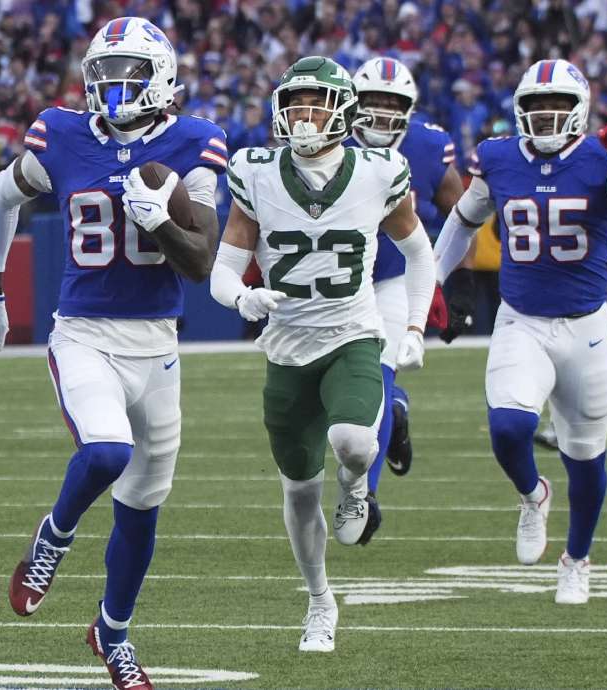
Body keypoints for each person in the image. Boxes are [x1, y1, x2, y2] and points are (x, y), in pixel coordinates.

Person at [0, 17, 225, 688]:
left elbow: (200, 261)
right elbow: (2, 196)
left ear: (162, 78)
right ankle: (51, 538)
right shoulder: (58, 133)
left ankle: (113, 633)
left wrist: (159, 219)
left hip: (158, 344)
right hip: (82, 332)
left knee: (143, 507)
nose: (113, 87)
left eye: (130, 74)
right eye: (104, 73)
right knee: (108, 452)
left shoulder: (195, 141)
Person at [211, 56, 435, 652]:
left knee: (354, 443)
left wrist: (412, 326)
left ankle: (358, 484)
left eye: (315, 103)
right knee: (299, 491)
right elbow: (222, 270)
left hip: (352, 334)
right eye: (294, 104)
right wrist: (242, 297)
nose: (303, 116)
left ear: (341, 110)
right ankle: (319, 601)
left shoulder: (379, 170)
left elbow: (419, 253)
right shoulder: (254, 171)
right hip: (286, 350)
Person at [434, 59, 607, 604]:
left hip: (587, 327)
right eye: (536, 105)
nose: (547, 114)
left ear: (577, 109)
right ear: (520, 109)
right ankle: (533, 494)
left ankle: (576, 558)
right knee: (508, 428)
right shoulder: (499, 155)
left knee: (587, 457)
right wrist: (429, 285)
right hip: (522, 319)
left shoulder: (606, 152)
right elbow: (463, 219)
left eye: (557, 104)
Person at [346, 56, 465, 533]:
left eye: (390, 104)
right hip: (337, 282)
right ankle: (398, 407)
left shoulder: (430, 145)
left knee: (377, 380)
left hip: (395, 279)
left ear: (408, 108)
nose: (379, 113)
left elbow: (463, 214)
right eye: (371, 102)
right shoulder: (325, 139)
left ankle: (365, 495)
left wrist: (452, 280)